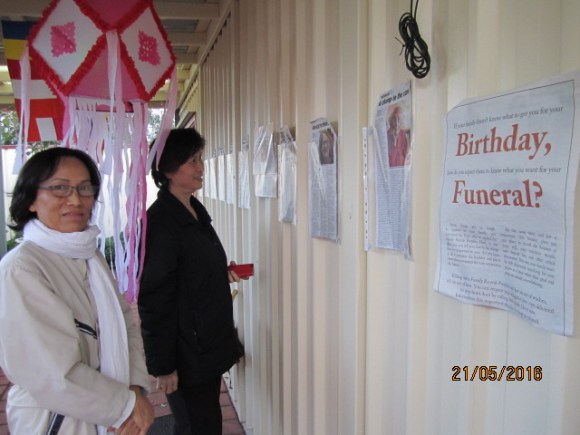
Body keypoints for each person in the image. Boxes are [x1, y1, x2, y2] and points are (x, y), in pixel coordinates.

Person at [0, 147, 154, 435]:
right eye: (60, 188)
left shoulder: (88, 253)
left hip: (116, 416)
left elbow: (125, 325)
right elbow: (50, 374)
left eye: (85, 188)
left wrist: (133, 389)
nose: (76, 199)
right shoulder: (21, 270)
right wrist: (125, 406)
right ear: (31, 199)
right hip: (59, 422)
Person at [138, 128, 246, 435]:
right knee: (197, 427)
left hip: (205, 344)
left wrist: (219, 273)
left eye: (200, 158)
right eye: (191, 160)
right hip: (185, 353)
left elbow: (187, 273)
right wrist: (163, 365)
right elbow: (154, 299)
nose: (201, 166)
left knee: (206, 422)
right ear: (168, 169)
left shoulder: (194, 209)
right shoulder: (160, 223)